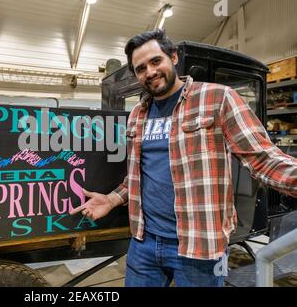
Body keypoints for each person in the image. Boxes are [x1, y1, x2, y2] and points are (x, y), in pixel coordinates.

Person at [70, 29, 297, 287]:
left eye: (156, 61)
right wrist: (111, 199)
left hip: (199, 247)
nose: (150, 71)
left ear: (174, 58)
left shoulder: (217, 98)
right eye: (141, 68)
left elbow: (264, 158)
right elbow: (139, 176)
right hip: (144, 243)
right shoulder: (137, 115)